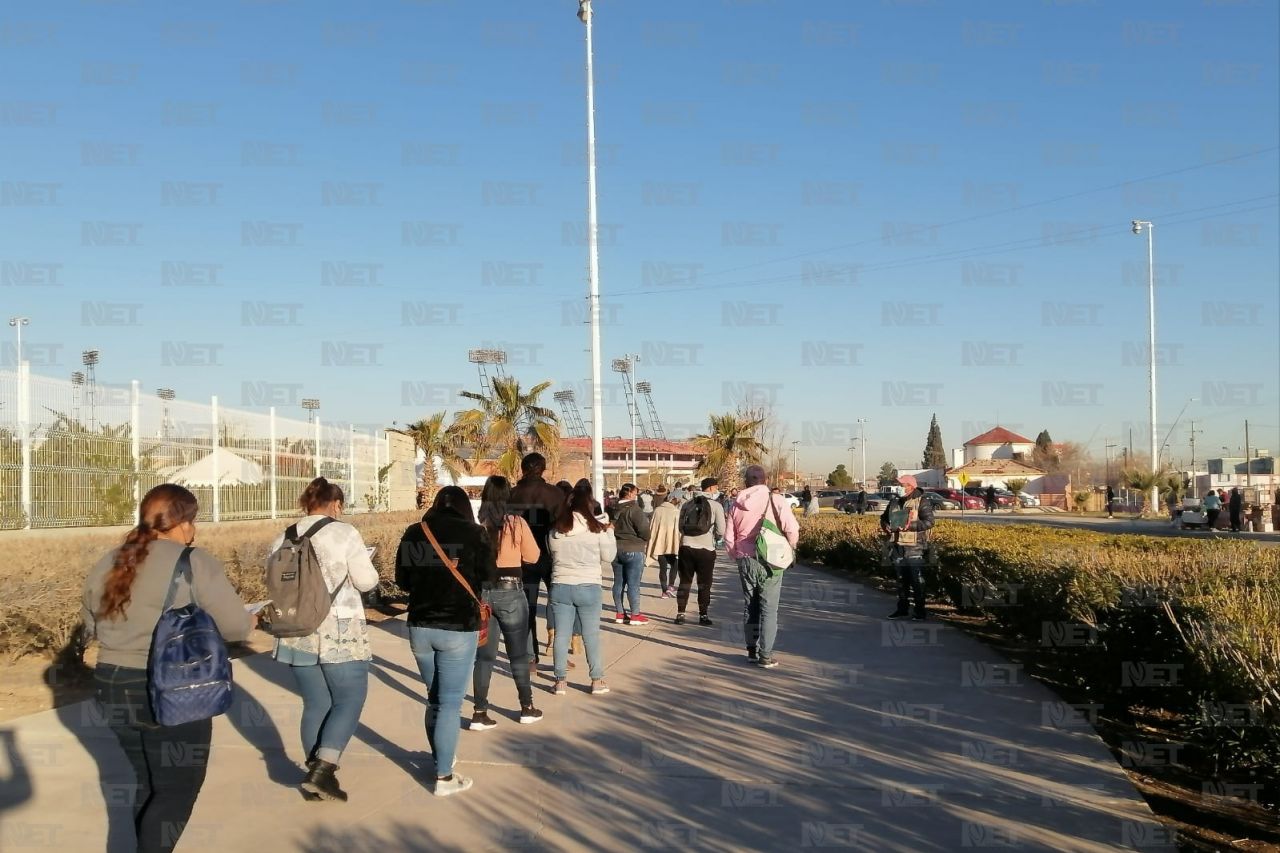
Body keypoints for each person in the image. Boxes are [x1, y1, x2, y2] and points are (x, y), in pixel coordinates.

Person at [81, 484, 253, 852]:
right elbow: (236, 626)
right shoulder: (192, 561)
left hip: (111, 683)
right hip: (170, 687)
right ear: (183, 522)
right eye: (192, 520)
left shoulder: (111, 559)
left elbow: (90, 624)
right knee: (176, 790)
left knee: (145, 783)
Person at [269, 477, 380, 802]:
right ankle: (323, 769)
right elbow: (365, 580)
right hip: (339, 629)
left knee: (316, 702)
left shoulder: (282, 537)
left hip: (295, 631)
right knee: (350, 698)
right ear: (336, 505)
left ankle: (313, 776)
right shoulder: (343, 532)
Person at [395, 486, 491, 797]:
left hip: (420, 625)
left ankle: (441, 756)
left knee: (434, 697)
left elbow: (402, 580)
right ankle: (445, 776)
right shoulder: (476, 533)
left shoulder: (414, 532)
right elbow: (488, 574)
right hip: (458, 626)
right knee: (450, 702)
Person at [470, 476, 543, 731]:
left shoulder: (478, 525)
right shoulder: (516, 523)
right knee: (518, 654)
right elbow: (533, 556)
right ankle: (527, 707)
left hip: (484, 594)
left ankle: (479, 711)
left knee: (484, 657)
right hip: (512, 591)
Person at [724, 466, 799, 669]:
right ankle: (766, 655)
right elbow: (792, 529)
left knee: (750, 605)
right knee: (769, 609)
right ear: (764, 480)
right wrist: (790, 550)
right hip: (771, 560)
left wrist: (737, 556)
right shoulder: (776, 500)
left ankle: (751, 650)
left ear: (746, 481)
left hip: (746, 560)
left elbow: (728, 538)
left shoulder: (736, 504)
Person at [547, 482, 616, 695]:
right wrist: (610, 532)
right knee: (591, 635)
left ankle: (560, 681)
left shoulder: (555, 531)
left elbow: (552, 554)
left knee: (561, 635)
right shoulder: (596, 529)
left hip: (561, 585)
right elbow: (609, 556)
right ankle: (597, 680)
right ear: (589, 505)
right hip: (589, 585)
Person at [509, 453, 566, 677]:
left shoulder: (513, 494)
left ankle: (531, 658)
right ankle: (559, 655)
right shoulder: (554, 493)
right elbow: (564, 526)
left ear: (523, 469)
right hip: (552, 557)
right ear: (543, 469)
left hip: (523, 559)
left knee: (528, 609)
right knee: (560, 606)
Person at [880, 475, 936, 621]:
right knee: (901, 580)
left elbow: (929, 522)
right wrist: (885, 526)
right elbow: (884, 518)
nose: (899, 487)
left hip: (915, 547)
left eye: (902, 484)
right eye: (898, 484)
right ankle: (902, 609)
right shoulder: (894, 502)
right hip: (897, 546)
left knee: (917, 581)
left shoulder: (922, 501)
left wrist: (909, 526)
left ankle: (919, 611)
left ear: (911, 486)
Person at [675, 477, 727, 626]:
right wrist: (715, 537)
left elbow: (680, 526)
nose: (717, 490)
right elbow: (721, 530)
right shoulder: (716, 505)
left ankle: (680, 614)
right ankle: (703, 615)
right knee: (704, 583)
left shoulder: (687, 504)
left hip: (686, 547)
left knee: (685, 581)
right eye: (715, 487)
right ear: (710, 488)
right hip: (706, 549)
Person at [609, 483, 651, 625]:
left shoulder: (613, 508)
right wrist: (645, 539)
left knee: (618, 582)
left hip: (616, 548)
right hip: (633, 548)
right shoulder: (635, 509)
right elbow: (644, 530)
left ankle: (620, 613)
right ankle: (635, 614)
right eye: (635, 493)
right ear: (630, 494)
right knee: (633, 584)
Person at [646, 490, 682, 598]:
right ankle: (671, 586)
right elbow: (679, 530)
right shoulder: (676, 512)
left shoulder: (657, 510)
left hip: (659, 543)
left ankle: (664, 591)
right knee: (675, 565)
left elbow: (652, 527)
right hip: (673, 544)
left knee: (662, 567)